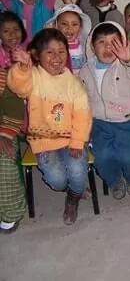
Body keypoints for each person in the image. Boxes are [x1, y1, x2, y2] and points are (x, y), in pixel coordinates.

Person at [7, 29, 92, 225]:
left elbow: (82, 114)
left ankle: (73, 198)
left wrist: (78, 142)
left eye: (62, 51)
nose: (57, 57)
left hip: (72, 139)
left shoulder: (73, 82)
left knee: (78, 172)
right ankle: (69, 190)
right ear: (37, 55)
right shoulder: (33, 75)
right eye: (50, 52)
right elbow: (18, 87)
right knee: (56, 179)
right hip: (42, 140)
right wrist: (22, 68)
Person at [79, 21, 130, 200]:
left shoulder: (125, 66)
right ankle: (115, 181)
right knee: (103, 157)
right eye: (102, 42)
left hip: (126, 122)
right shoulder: (86, 70)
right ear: (92, 46)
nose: (108, 47)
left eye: (114, 42)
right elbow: (82, 96)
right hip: (99, 123)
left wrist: (128, 59)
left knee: (129, 157)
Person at [0, 67, 25, 233]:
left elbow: (14, 111)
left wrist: (2, 136)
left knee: (5, 162)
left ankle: (10, 213)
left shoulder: (3, 78)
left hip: (3, 131)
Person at [46, 4, 92, 74]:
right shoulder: (52, 46)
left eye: (74, 24)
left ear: (80, 27)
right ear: (56, 26)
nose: (69, 28)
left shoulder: (84, 45)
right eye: (64, 24)